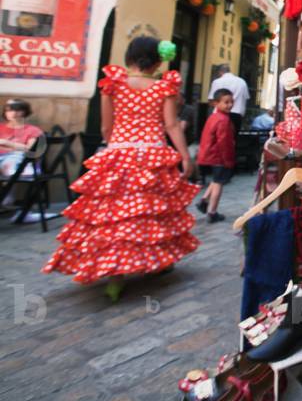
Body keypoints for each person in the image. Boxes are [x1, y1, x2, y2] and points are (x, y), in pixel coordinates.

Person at [42, 36, 199, 302]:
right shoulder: (164, 88)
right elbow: (172, 126)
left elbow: (106, 127)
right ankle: (160, 262)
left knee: (114, 215)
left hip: (119, 152)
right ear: (158, 60)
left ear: (129, 57)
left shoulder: (113, 84)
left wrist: (116, 144)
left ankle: (115, 277)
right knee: (152, 212)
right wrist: (185, 156)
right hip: (152, 154)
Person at [196, 89, 235, 223]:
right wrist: (228, 160)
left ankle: (204, 200)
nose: (230, 105)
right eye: (226, 102)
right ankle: (212, 212)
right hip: (218, 156)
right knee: (219, 183)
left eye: (231, 102)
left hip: (209, 154)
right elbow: (224, 143)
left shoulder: (213, 117)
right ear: (216, 103)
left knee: (216, 179)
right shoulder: (223, 120)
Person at [208, 64, 249, 132]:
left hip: (220, 114)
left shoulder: (217, 82)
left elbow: (211, 100)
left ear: (220, 72)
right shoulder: (242, 82)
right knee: (233, 140)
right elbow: (246, 99)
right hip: (237, 115)